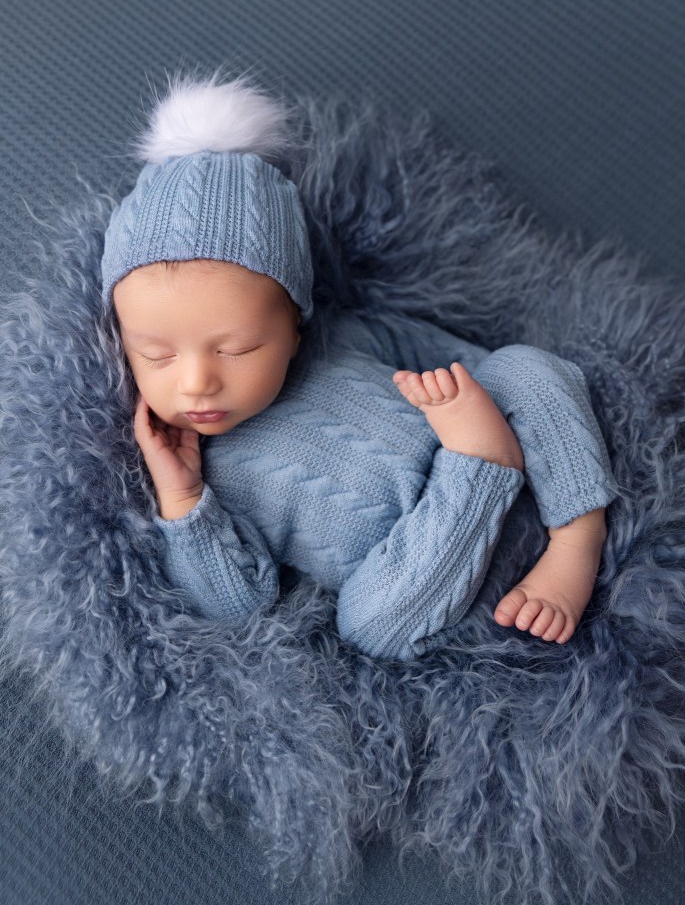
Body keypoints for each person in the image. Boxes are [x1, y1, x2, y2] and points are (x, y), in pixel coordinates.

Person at [101, 69, 616, 662]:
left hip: (537, 491)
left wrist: (481, 403)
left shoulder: (343, 336)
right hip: (432, 582)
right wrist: (184, 498)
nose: (196, 382)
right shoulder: (207, 477)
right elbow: (238, 604)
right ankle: (481, 463)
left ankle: (577, 540)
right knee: (364, 626)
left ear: (295, 324)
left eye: (236, 349)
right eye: (157, 355)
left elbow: (471, 372)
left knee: (525, 368)